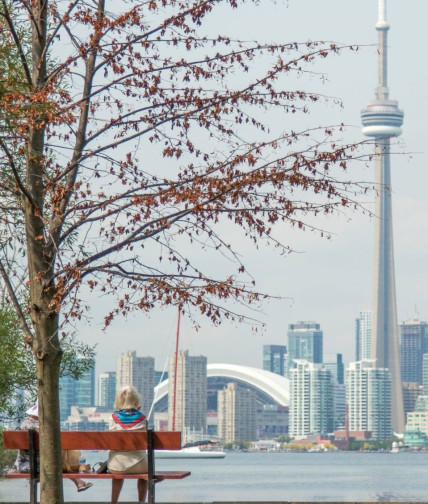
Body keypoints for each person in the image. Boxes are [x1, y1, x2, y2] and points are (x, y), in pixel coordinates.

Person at [13, 402, 93, 492]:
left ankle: (79, 482)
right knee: (59, 464)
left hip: (22, 466)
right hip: (42, 466)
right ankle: (78, 482)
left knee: (57, 464)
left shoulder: (23, 424)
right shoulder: (46, 428)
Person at [108, 385, 148, 504]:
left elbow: (111, 443)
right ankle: (141, 501)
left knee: (117, 470)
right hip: (140, 465)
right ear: (136, 400)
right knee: (144, 474)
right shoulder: (143, 419)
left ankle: (113, 502)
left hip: (116, 465)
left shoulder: (113, 418)